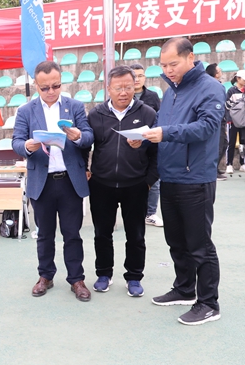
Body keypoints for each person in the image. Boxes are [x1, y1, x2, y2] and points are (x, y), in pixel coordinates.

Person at [143, 37, 226, 325]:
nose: (168, 70)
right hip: (170, 176)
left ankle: (209, 303)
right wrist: (145, 137)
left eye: (173, 64)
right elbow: (162, 125)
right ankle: (184, 288)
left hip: (195, 177)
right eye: (163, 65)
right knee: (176, 241)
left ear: (190, 57)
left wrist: (165, 133)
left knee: (199, 244)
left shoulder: (210, 88)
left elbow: (206, 127)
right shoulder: (171, 92)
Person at [12, 60, 94, 302]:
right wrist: (28, 146)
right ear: (36, 86)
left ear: (61, 83)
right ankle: (45, 276)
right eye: (45, 87)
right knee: (44, 234)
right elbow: (17, 141)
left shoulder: (74, 106)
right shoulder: (26, 111)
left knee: (72, 234)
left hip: (69, 181)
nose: (51, 91)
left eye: (56, 86)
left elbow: (89, 136)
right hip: (42, 181)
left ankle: (76, 279)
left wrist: (78, 136)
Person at [86, 65, 158, 297]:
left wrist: (148, 181)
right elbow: (85, 146)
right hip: (102, 185)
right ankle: (103, 274)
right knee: (102, 233)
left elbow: (158, 152)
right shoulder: (96, 114)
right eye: (118, 88)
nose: (124, 92)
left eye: (128, 87)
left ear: (134, 86)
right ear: (108, 88)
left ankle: (134, 277)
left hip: (136, 185)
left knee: (135, 235)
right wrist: (86, 170)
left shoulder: (147, 113)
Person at [130, 63, 164, 227]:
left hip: (150, 143)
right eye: (134, 76)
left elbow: (159, 118)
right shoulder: (124, 96)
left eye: (141, 76)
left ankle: (150, 213)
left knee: (154, 180)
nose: (137, 79)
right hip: (129, 143)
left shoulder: (152, 96)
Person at [205, 63, 230, 181]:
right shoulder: (211, 86)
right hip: (216, 120)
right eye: (219, 70)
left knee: (224, 144)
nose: (221, 72)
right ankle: (213, 171)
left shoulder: (217, 85)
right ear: (215, 73)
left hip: (222, 119)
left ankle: (216, 168)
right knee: (218, 146)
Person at [225, 70, 245, 175]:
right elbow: (227, 106)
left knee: (243, 143)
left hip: (244, 122)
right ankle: (229, 164)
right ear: (238, 79)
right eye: (244, 79)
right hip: (233, 121)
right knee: (231, 143)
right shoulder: (231, 91)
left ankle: (242, 164)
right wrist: (231, 118)